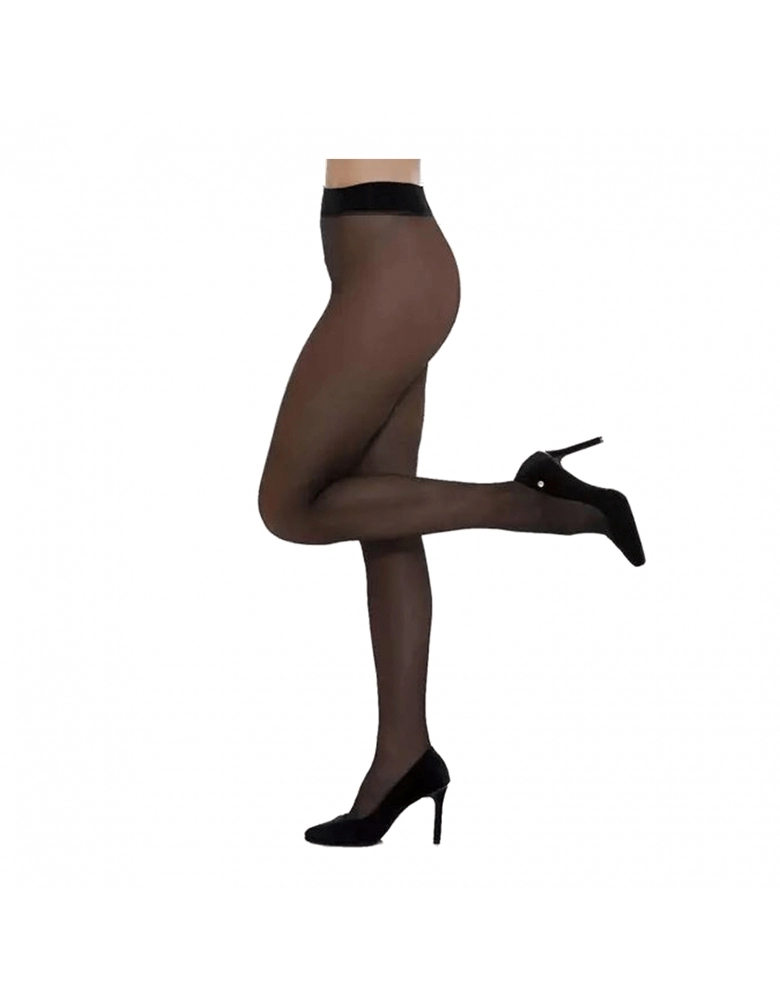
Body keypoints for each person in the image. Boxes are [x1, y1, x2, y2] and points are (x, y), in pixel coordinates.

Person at [257, 158, 644, 847]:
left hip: (392, 273)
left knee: (289, 507)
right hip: (379, 263)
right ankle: (403, 754)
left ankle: (531, 503)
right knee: (387, 520)